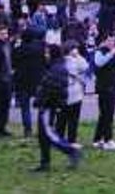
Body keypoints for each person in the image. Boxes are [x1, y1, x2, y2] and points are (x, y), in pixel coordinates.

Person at [34, 44, 82, 172]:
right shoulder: (56, 67)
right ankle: (45, 162)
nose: (45, 55)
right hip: (48, 105)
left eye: (47, 53)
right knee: (43, 135)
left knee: (48, 134)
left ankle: (71, 150)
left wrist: (41, 101)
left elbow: (51, 88)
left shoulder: (56, 69)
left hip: (48, 106)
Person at [92, 34, 115, 150]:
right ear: (104, 41)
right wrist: (112, 52)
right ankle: (107, 140)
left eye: (113, 40)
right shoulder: (100, 52)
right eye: (109, 40)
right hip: (104, 88)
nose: (112, 42)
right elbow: (99, 63)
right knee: (107, 115)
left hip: (112, 86)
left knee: (105, 114)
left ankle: (97, 139)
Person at [12, 27, 45, 138]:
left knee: (25, 108)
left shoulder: (18, 50)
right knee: (42, 106)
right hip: (37, 80)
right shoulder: (39, 49)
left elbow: (13, 63)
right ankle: (42, 129)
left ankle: (28, 130)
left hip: (22, 80)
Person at [57, 41, 88, 146]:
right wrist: (76, 58)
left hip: (76, 94)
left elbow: (85, 66)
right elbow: (79, 68)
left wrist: (78, 56)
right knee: (65, 119)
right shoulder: (65, 61)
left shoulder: (76, 60)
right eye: (74, 49)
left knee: (72, 119)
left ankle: (69, 139)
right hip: (67, 94)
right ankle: (64, 139)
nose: (76, 51)